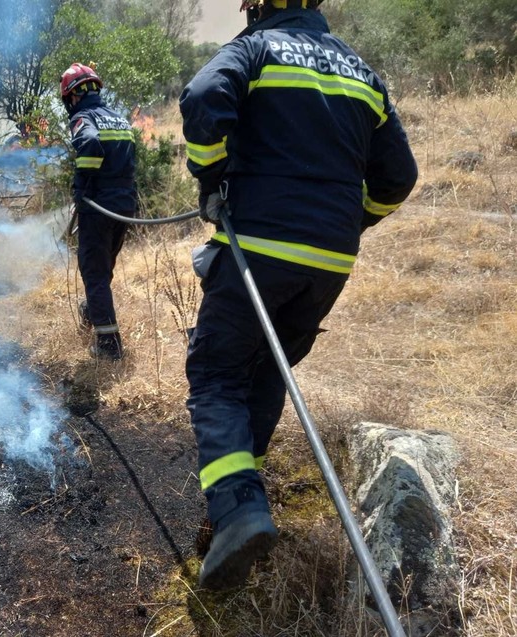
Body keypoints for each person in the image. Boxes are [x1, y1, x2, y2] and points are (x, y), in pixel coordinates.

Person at [179, 0, 418, 590]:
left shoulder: (256, 48)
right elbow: (400, 178)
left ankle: (237, 510)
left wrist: (212, 179)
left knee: (216, 372)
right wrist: (349, 222)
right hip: (329, 264)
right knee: (269, 371)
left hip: (258, 244)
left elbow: (204, 96)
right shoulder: (363, 73)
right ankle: (243, 498)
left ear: (258, 6)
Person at [60, 62, 137, 361]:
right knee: (103, 269)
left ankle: (108, 344)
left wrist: (83, 187)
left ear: (73, 96)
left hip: (99, 206)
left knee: (94, 273)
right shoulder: (118, 119)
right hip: (123, 205)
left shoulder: (83, 117)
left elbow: (90, 143)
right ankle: (92, 311)